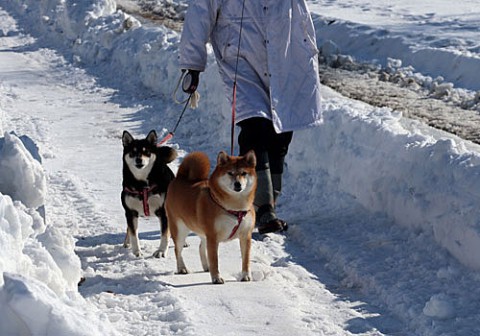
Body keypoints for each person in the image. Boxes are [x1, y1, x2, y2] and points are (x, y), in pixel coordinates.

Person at [178, 0, 323, 234]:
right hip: (240, 57)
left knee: (281, 132)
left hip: (285, 52)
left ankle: (268, 199)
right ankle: (264, 208)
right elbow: (199, 12)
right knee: (255, 127)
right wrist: (192, 64)